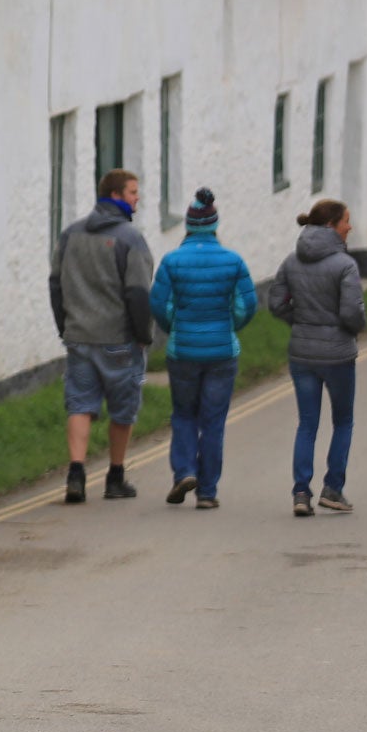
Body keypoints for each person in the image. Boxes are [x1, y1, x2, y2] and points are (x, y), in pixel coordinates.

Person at [49, 168, 155, 504]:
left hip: (80, 337)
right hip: (119, 340)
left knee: (80, 404)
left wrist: (65, 326)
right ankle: (115, 476)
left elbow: (55, 284)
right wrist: (144, 335)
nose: (137, 198)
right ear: (115, 195)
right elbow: (138, 293)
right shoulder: (130, 239)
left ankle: (76, 473)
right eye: (133, 192)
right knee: (122, 411)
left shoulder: (70, 235)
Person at [151, 187, 257, 509]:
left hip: (182, 352)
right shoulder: (233, 261)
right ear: (214, 225)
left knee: (184, 413)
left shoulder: (171, 261)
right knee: (213, 421)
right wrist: (229, 326)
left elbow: (159, 305)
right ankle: (208, 492)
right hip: (222, 352)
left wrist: (175, 327)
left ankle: (184, 470)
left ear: (188, 225)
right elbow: (246, 305)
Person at [269, 199, 367, 516]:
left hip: (302, 353)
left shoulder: (291, 262)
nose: (350, 226)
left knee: (307, 424)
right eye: (346, 221)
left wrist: (300, 322)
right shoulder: (345, 265)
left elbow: (276, 303)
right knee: (343, 421)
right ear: (331, 226)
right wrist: (354, 328)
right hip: (338, 354)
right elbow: (352, 312)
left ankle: (301, 492)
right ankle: (333, 489)